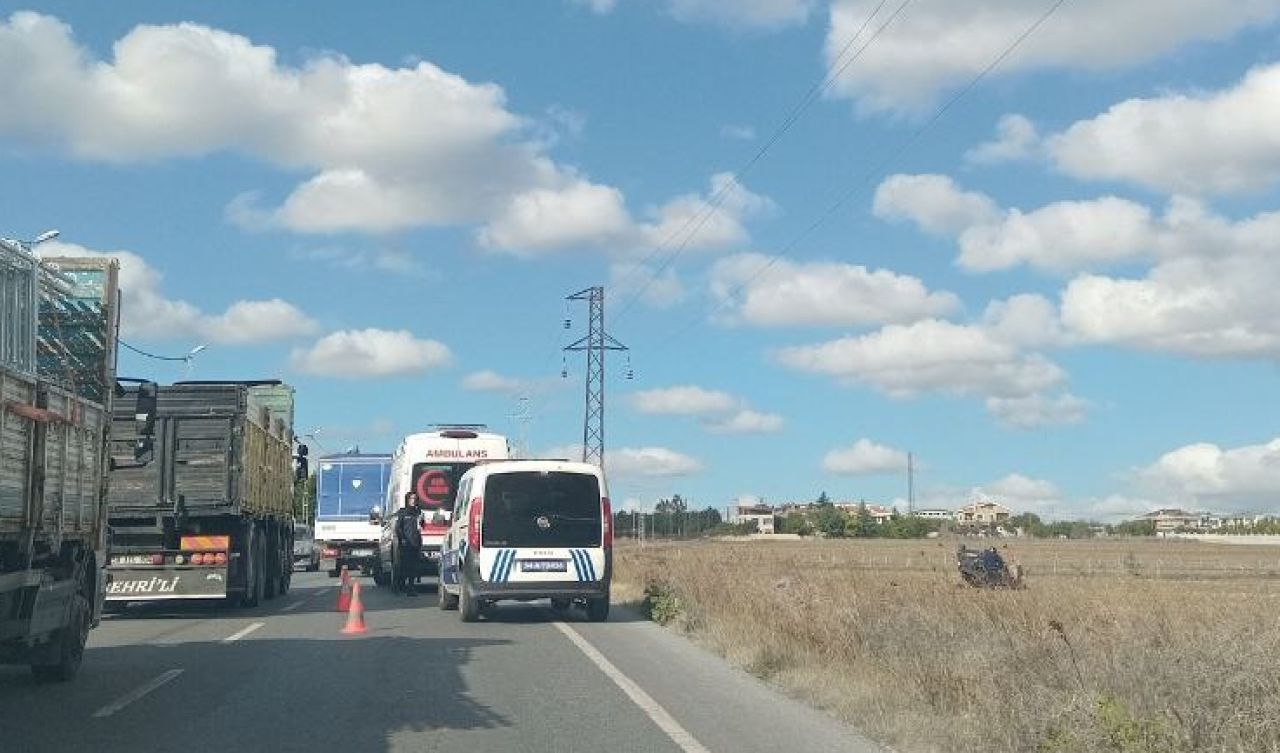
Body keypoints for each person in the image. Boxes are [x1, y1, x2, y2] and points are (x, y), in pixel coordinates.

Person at [394, 491, 424, 595]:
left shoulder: (418, 512)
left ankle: (411, 588)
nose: (413, 500)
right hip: (406, 543)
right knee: (403, 566)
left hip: (416, 542)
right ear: (407, 500)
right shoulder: (403, 512)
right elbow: (398, 528)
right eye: (411, 498)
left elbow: (422, 526)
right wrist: (402, 539)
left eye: (415, 498)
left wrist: (422, 521)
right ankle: (399, 586)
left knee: (414, 567)